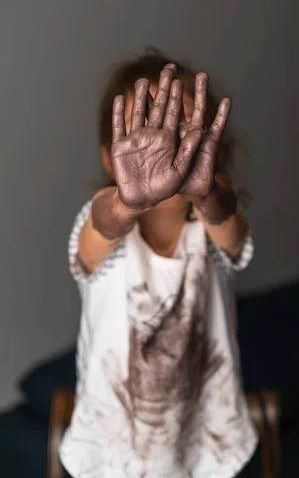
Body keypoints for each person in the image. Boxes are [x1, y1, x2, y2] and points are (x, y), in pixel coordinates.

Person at [60, 49, 258, 478]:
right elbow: (100, 229)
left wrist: (207, 195)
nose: (161, 144)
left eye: (178, 130)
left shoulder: (213, 222)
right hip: (112, 451)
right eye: (141, 129)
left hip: (208, 441)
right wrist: (126, 205)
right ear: (110, 159)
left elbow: (232, 229)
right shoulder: (104, 211)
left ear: (209, 147)